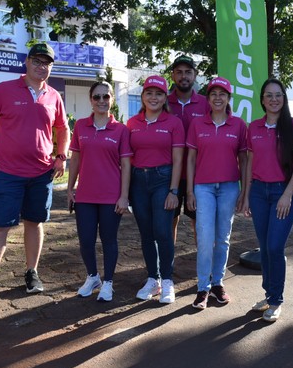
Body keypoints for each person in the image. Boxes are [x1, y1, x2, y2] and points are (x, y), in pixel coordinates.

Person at [0, 43, 70, 308]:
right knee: (0, 227)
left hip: (41, 173)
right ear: (26, 63)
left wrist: (61, 156)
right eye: (37, 61)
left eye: (47, 63)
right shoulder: (4, 90)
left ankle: (31, 273)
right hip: (8, 173)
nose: (42, 67)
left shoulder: (53, 96)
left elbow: (63, 129)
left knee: (35, 222)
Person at [242, 79, 293, 323]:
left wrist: (288, 194)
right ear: (262, 99)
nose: (273, 99)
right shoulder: (254, 127)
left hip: (284, 191)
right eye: (268, 95)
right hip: (259, 193)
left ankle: (276, 300)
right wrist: (247, 195)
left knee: (274, 247)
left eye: (278, 95)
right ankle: (269, 295)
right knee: (265, 246)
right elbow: (249, 161)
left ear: (284, 98)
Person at [186, 77, 247, 310]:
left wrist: (244, 190)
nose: (218, 98)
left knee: (222, 238)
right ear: (208, 99)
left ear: (229, 98)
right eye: (214, 94)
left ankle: (217, 283)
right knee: (204, 237)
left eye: (223, 94)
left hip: (230, 187)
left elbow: (243, 159)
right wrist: (190, 190)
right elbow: (190, 159)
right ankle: (202, 287)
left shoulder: (238, 125)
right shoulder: (197, 124)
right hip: (203, 187)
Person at [67, 81, 132, 302]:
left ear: (112, 99)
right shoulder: (80, 127)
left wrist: (124, 196)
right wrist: (69, 189)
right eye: (97, 97)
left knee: (108, 240)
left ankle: (108, 283)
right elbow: (75, 159)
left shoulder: (121, 130)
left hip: (110, 196)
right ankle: (93, 277)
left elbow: (126, 166)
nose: (102, 101)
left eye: (106, 96)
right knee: (85, 240)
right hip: (85, 195)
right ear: (91, 100)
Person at [127, 75, 184, 304]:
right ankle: (153, 279)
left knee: (162, 231)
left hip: (164, 179)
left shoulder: (173, 123)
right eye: (149, 93)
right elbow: (126, 159)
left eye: (159, 94)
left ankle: (168, 281)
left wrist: (174, 191)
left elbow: (179, 160)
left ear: (164, 98)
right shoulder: (132, 123)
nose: (153, 97)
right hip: (138, 181)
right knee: (146, 234)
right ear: (142, 96)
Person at [167, 55, 209, 241]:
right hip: (169, 174)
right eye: (179, 72)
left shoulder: (206, 103)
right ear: (173, 75)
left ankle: (202, 265)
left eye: (188, 72)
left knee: (199, 222)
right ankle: (167, 264)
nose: (184, 76)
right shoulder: (162, 101)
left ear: (195, 75)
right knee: (169, 220)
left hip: (199, 173)